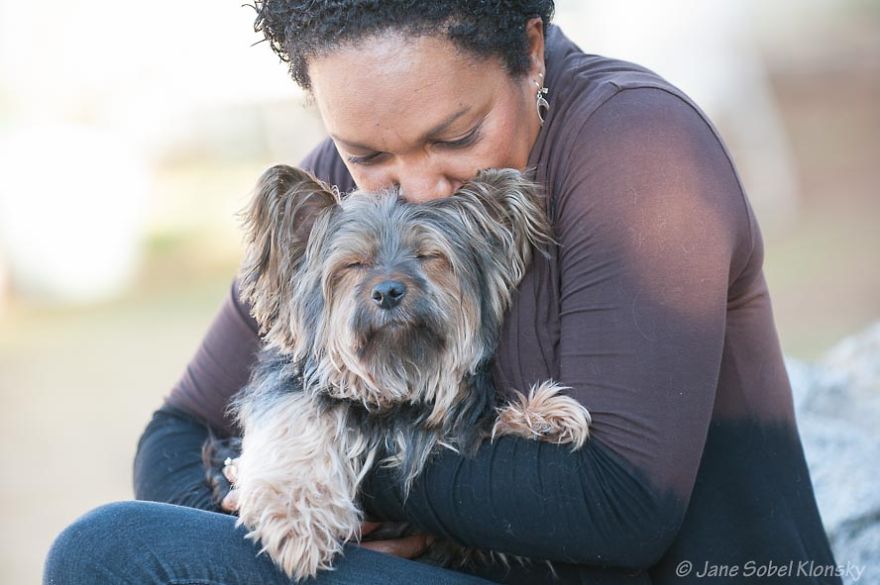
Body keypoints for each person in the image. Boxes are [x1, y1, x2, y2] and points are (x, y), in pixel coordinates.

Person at [44, 2, 842, 584]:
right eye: (367, 153)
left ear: (530, 52)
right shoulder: (335, 189)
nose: (415, 187)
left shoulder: (639, 150)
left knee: (106, 555)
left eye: (455, 136)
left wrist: (350, 470)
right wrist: (294, 497)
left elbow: (618, 508)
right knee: (111, 545)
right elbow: (175, 436)